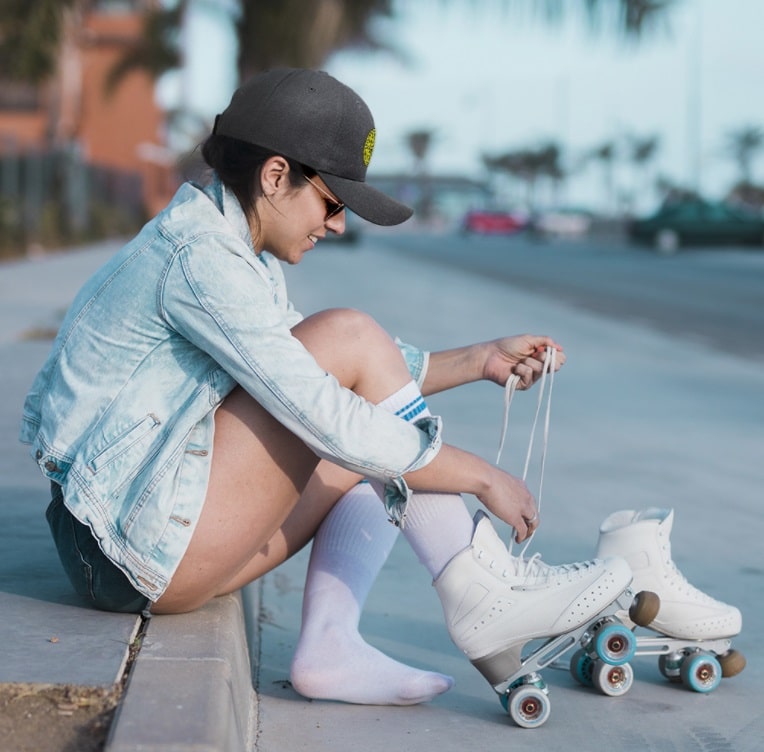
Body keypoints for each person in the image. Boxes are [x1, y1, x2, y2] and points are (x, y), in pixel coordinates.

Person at [21, 68, 735, 710]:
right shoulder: (200, 259)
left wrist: (477, 359)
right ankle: (480, 590)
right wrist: (480, 477)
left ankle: (333, 646)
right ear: (276, 177)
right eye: (332, 204)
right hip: (124, 553)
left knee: (362, 412)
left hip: (130, 546)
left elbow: (323, 377)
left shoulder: (231, 245)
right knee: (354, 367)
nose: (335, 226)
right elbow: (333, 392)